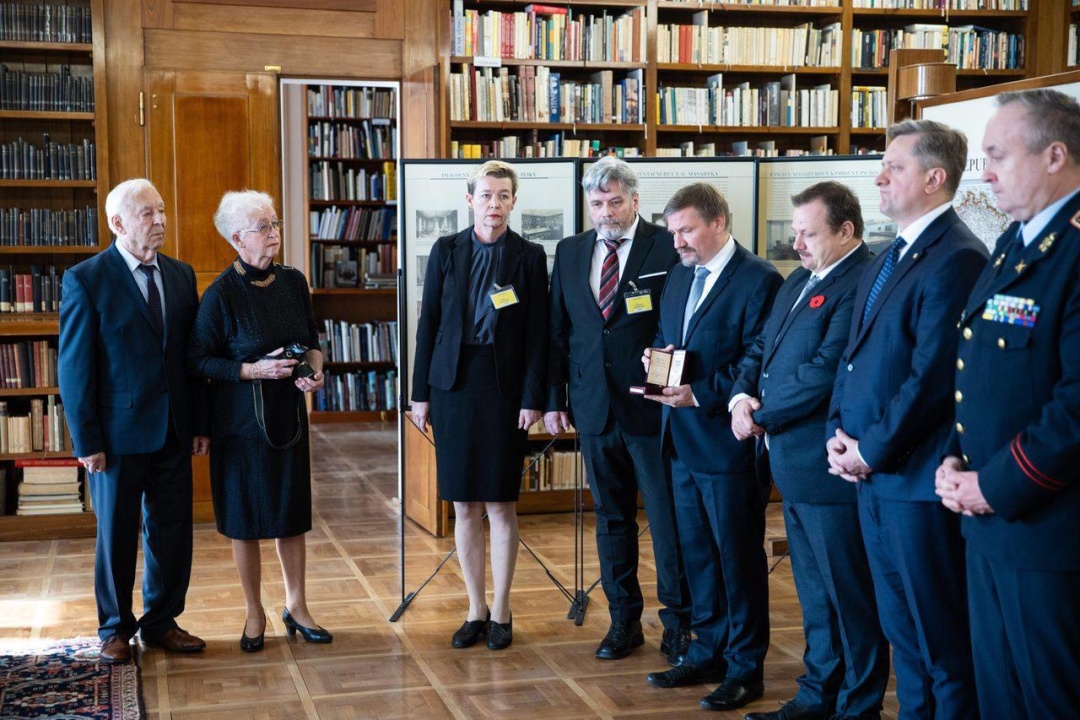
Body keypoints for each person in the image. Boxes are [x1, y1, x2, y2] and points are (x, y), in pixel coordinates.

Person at [826, 119, 987, 720]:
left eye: (894, 166)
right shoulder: (888, 255)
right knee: (905, 640)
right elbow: (853, 359)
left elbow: (932, 380)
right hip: (874, 478)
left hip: (915, 483)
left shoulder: (959, 257)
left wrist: (870, 449)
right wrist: (838, 437)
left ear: (934, 177)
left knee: (941, 644)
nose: (879, 176)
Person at [935, 89, 1080, 718]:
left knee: (1051, 699)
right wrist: (953, 461)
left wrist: (993, 484)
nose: (983, 172)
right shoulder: (1015, 242)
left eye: (996, 155)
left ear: (1055, 155)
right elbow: (977, 373)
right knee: (1000, 694)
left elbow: (1076, 406)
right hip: (989, 518)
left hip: (1049, 529)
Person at [731, 182, 888, 720]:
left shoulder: (863, 281)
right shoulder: (800, 277)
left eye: (808, 233)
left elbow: (824, 370)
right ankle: (816, 697)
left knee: (851, 601)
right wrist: (740, 395)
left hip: (828, 471)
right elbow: (762, 349)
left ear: (847, 231)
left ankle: (858, 707)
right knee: (816, 598)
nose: (796, 244)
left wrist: (760, 414)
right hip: (791, 467)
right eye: (794, 232)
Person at [642, 183, 782, 713]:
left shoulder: (759, 279)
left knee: (737, 559)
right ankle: (707, 650)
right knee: (697, 554)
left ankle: (746, 668)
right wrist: (657, 361)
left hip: (727, 443)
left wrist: (699, 392)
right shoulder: (679, 273)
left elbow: (756, 359)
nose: (677, 240)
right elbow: (666, 333)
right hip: (678, 440)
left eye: (687, 230)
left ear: (719, 222)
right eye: (673, 230)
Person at [545, 156, 691, 663]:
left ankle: (678, 624)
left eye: (614, 201)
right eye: (597, 203)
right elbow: (558, 335)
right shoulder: (569, 252)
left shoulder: (665, 247)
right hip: (593, 410)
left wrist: (659, 389)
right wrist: (554, 400)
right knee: (611, 520)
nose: (605, 211)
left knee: (667, 519)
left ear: (634, 200)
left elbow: (673, 329)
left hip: (651, 412)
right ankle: (623, 622)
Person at [58, 178, 209, 664]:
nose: (160, 221)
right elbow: (75, 368)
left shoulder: (182, 276)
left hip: (173, 430)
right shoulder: (87, 279)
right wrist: (87, 439)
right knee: (117, 535)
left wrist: (199, 422)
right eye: (148, 214)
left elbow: (193, 358)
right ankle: (114, 628)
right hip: (116, 438)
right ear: (118, 223)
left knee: (172, 533)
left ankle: (162, 621)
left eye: (162, 210)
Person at [410, 160, 548, 651]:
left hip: (504, 388)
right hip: (452, 385)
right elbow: (428, 323)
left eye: (503, 196)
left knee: (501, 502)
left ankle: (503, 610)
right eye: (486, 195)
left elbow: (538, 336)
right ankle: (475, 608)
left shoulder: (530, 257)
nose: (494, 204)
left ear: (513, 201)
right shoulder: (445, 250)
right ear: (470, 200)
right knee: (464, 503)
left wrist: (534, 397)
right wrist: (419, 393)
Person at [187, 190, 330, 652]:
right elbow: (199, 360)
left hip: (287, 417)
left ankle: (298, 606)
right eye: (263, 227)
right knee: (245, 520)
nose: (274, 234)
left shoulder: (293, 281)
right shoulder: (220, 294)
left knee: (291, 515)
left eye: (275, 223)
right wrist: (251, 370)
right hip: (239, 424)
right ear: (237, 238)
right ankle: (254, 612)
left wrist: (315, 370)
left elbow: (310, 342)